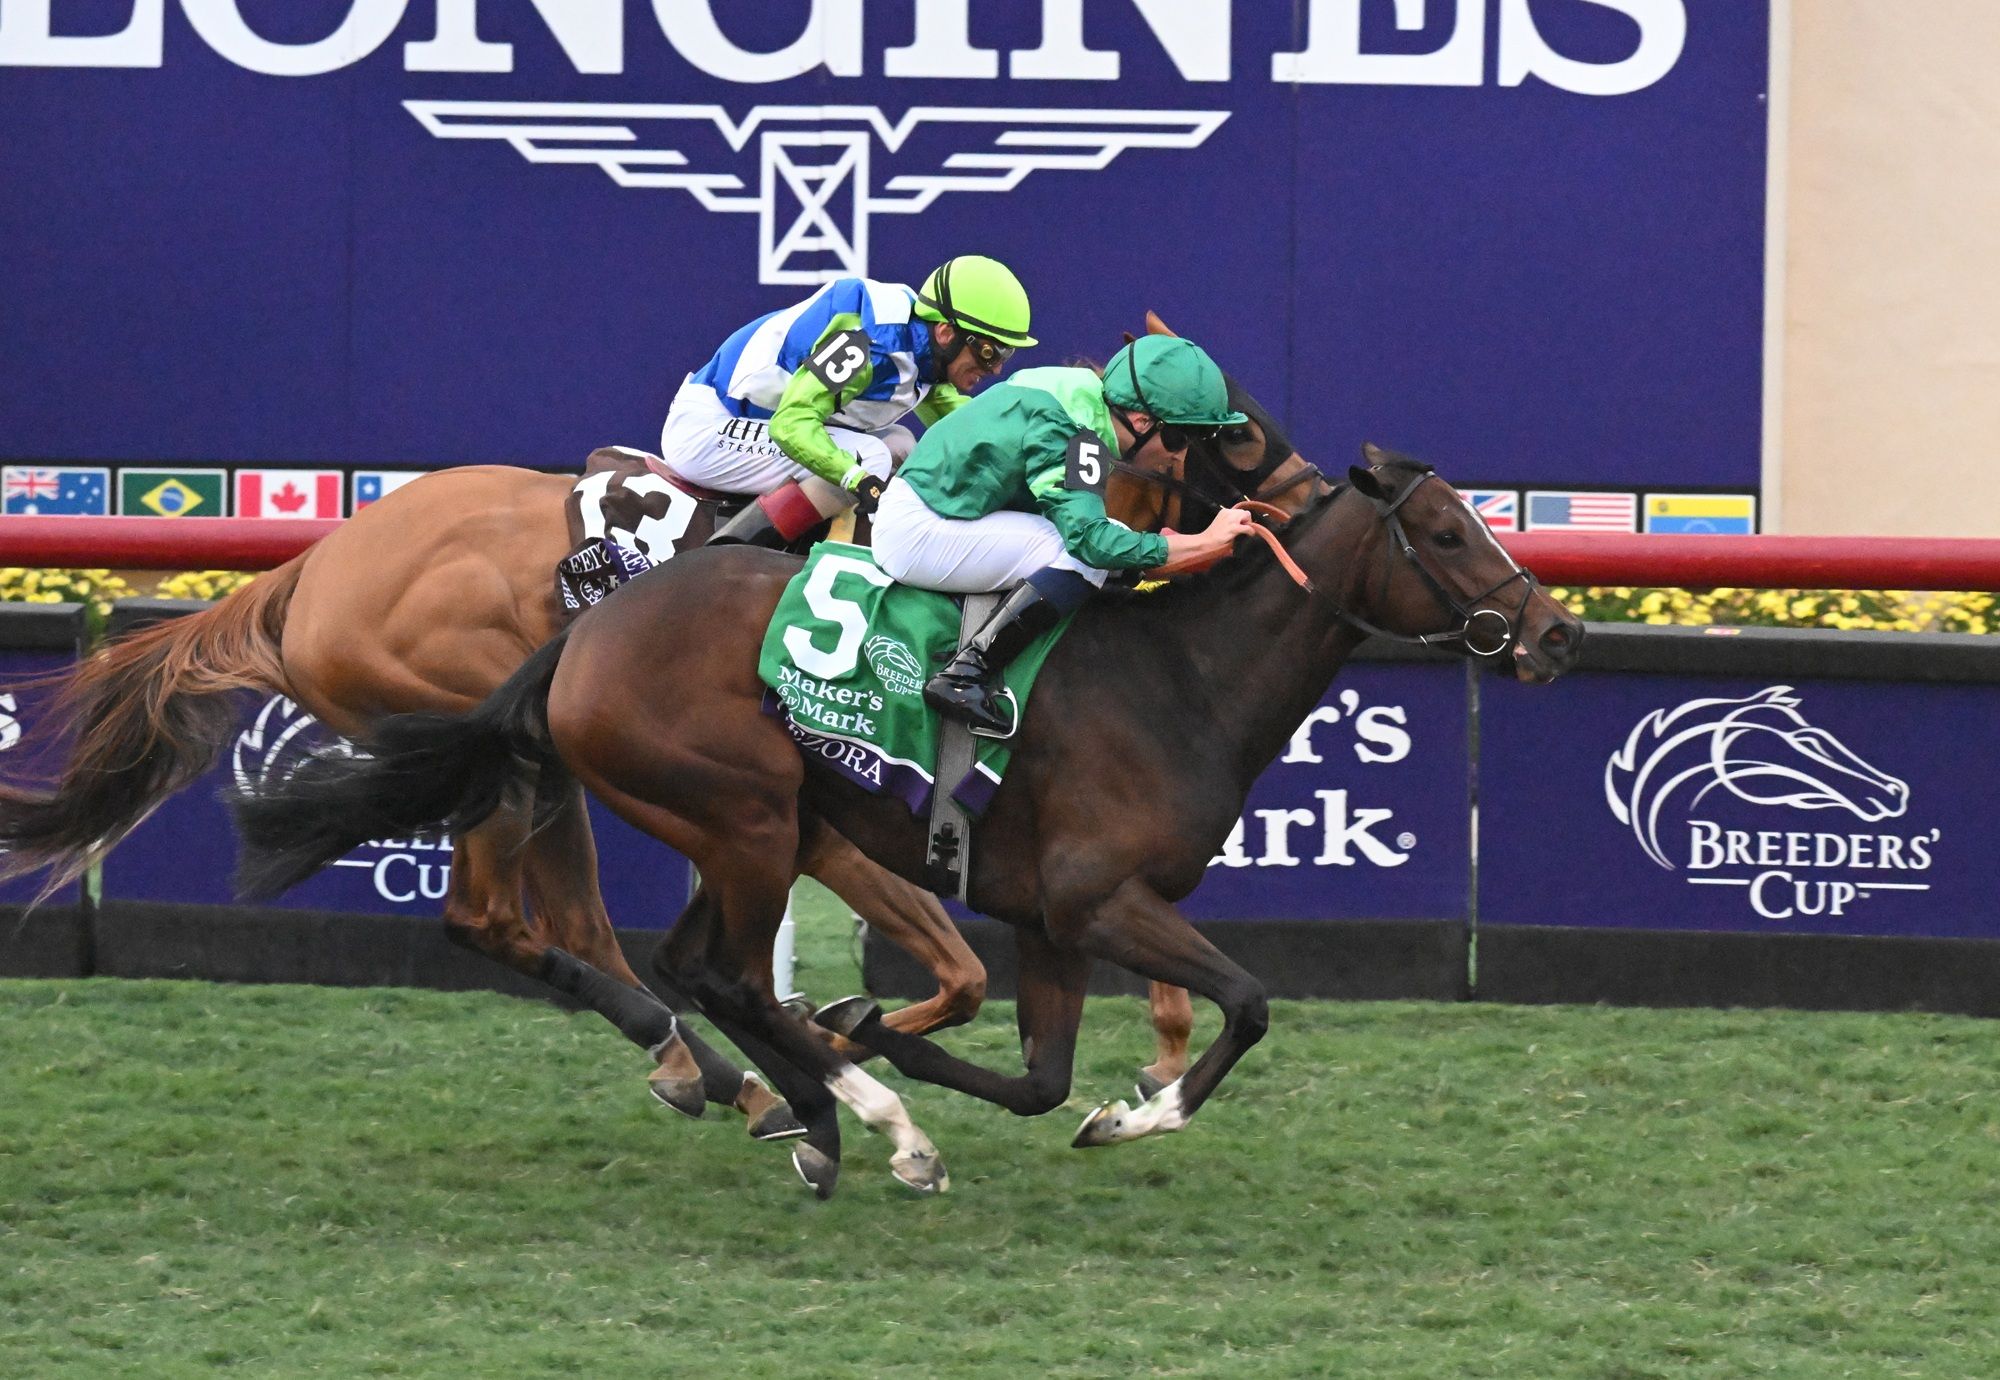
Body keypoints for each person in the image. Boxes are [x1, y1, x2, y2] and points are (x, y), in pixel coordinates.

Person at [873, 334, 1258, 734]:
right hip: (917, 531)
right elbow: (1087, 542)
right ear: (1142, 421)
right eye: (1181, 438)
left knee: (1104, 539)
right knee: (1080, 555)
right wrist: (1204, 542)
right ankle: (962, 675)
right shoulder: (1072, 431)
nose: (1178, 457)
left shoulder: (1078, 395)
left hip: (941, 511)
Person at [662, 257, 1035, 549]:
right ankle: (731, 555)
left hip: (752, 423)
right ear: (946, 332)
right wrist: (854, 477)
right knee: (868, 457)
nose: (997, 369)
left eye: (1006, 355)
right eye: (988, 351)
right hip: (707, 428)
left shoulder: (926, 352)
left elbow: (967, 431)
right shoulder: (868, 342)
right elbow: (791, 425)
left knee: (901, 445)